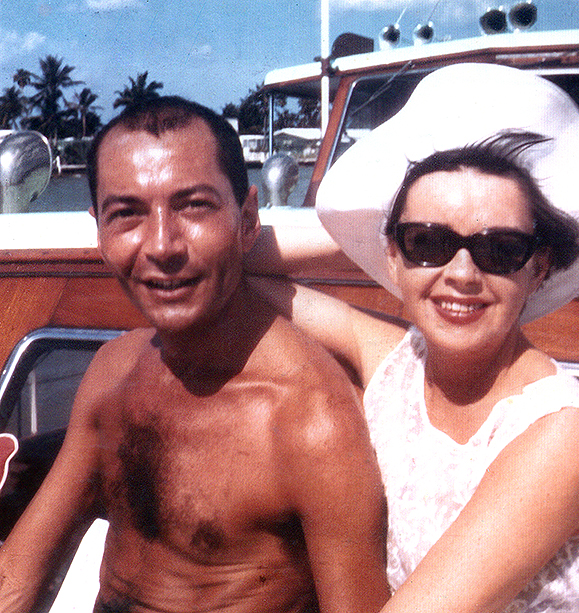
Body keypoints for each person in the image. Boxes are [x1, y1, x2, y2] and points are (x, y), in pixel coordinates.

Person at [248, 63, 579, 613]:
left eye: (499, 249)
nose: (463, 274)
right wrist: (380, 241)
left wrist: (414, 243)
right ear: (392, 257)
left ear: (539, 268)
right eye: (429, 242)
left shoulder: (564, 435)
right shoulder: (398, 366)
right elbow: (233, 269)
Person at [0, 96, 391, 613]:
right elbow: (20, 571)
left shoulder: (309, 421)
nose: (162, 245)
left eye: (193, 206)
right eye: (127, 214)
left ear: (248, 219)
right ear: (98, 229)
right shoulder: (115, 369)